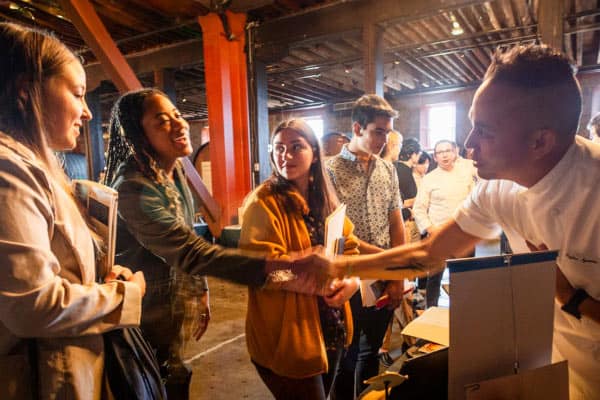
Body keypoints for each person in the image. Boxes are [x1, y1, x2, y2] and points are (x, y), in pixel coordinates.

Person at [345, 44, 600, 400]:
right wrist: (338, 266)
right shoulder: (497, 187)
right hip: (556, 373)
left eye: (485, 131)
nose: (468, 144)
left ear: (540, 141)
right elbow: (430, 254)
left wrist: (569, 297)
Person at [102, 89, 337, 399]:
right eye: (162, 121)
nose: (179, 124)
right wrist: (285, 264)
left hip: (168, 320)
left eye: (177, 114)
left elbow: (187, 235)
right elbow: (190, 252)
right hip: (142, 321)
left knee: (174, 379)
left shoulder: (171, 174)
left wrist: (200, 292)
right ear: (137, 133)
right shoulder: (133, 187)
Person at [0, 22, 146, 399]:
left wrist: (103, 279)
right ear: (24, 91)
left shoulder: (37, 166)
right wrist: (122, 296)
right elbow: (32, 306)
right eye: (78, 94)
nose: (86, 112)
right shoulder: (9, 170)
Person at [239, 119, 361, 400]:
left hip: (330, 327)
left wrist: (352, 281)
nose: (286, 155)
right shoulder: (263, 203)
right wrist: (312, 280)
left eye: (297, 147)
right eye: (280, 148)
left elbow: (350, 248)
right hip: (288, 338)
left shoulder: (325, 198)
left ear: (315, 153)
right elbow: (259, 271)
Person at [327, 94, 406, 399]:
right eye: (378, 131)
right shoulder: (330, 170)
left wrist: (398, 275)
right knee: (345, 357)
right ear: (358, 127)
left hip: (384, 278)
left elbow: (396, 223)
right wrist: (392, 259)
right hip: (350, 276)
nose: (383, 140)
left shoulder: (387, 170)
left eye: (387, 133)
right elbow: (341, 237)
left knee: (372, 352)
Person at [413, 140, 476, 306]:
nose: (445, 155)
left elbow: (474, 202)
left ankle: (464, 311)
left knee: (464, 277)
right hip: (438, 235)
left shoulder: (466, 174)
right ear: (435, 157)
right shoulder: (429, 179)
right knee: (434, 278)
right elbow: (419, 209)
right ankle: (430, 311)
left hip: (463, 234)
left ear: (455, 153)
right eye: (440, 152)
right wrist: (430, 229)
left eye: (448, 151)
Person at [395, 137, 422, 242]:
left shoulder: (397, 167)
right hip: (405, 221)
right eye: (418, 153)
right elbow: (402, 201)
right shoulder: (404, 171)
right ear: (413, 154)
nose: (419, 156)